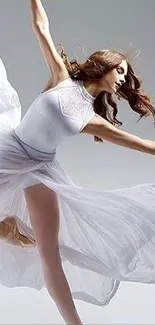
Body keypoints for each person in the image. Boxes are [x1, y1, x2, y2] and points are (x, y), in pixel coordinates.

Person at [0, 0, 155, 324]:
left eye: (126, 77)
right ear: (105, 64)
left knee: (50, 252)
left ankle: (75, 323)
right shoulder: (61, 78)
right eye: (121, 72)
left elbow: (140, 144)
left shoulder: (92, 118)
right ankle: (9, 230)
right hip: (11, 150)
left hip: (41, 170)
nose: (123, 81)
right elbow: (41, 27)